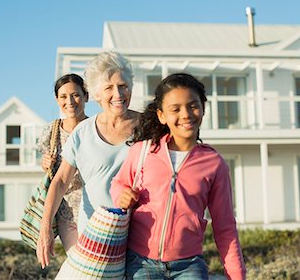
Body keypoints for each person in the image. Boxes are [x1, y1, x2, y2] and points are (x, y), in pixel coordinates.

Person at [110, 73, 246, 279]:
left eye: (193, 105)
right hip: (140, 262)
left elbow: (225, 227)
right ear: (162, 115)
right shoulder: (143, 151)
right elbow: (118, 183)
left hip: (189, 266)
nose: (186, 114)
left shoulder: (214, 163)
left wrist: (237, 275)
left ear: (203, 108)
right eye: (175, 109)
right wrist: (122, 194)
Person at [36, 51, 140, 269]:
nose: (118, 94)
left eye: (123, 86)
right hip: (94, 234)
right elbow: (60, 181)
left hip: (139, 232)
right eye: (109, 88)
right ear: (96, 94)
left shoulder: (147, 127)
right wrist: (45, 229)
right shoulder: (83, 132)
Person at [36, 73, 88, 252]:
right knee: (78, 263)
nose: (70, 101)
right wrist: (44, 164)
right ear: (57, 99)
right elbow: (49, 169)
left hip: (97, 210)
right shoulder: (51, 131)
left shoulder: (96, 128)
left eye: (75, 95)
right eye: (64, 96)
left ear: (85, 96)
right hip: (67, 213)